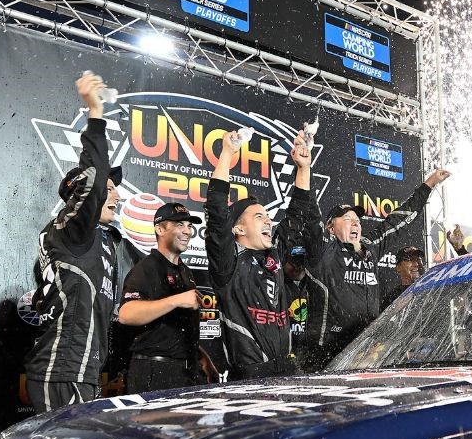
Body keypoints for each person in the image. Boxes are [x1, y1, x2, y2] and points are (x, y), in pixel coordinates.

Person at [25, 72, 124, 411]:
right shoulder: (71, 231)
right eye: (109, 191)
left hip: (85, 372)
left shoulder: (104, 242)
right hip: (62, 370)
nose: (117, 196)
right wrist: (96, 114)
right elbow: (93, 181)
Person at [302, 168, 451, 369]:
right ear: (330, 228)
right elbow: (309, 212)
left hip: (364, 351)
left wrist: (429, 184)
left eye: (357, 220)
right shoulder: (323, 251)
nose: (355, 223)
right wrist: (304, 167)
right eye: (347, 219)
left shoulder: (369, 247)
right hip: (326, 354)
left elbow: (399, 220)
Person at [205, 129, 316, 379]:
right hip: (249, 378)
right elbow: (216, 210)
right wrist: (227, 153)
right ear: (238, 228)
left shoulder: (274, 257)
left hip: (287, 371)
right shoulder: (228, 263)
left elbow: (297, 214)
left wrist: (303, 168)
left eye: (267, 216)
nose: (268, 221)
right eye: (259, 217)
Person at [117, 202, 204, 393]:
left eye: (190, 226)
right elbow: (126, 313)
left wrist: (203, 358)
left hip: (185, 372)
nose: (188, 231)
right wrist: (176, 300)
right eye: (179, 225)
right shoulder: (147, 268)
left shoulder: (186, 272)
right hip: (154, 371)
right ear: (160, 229)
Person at [284, 246, 310, 358]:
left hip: (309, 351)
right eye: (293, 262)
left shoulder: (315, 284)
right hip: (285, 350)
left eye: (301, 262)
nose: (297, 267)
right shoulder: (278, 285)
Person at [381, 245, 426, 309]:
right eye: (410, 259)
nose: (416, 264)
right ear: (398, 268)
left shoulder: (431, 290)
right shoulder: (391, 298)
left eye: (418, 259)